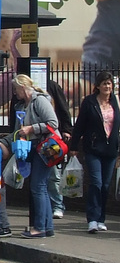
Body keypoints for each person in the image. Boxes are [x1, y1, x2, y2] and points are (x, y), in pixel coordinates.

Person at [8, 74, 59, 238]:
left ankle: (39, 228)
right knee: (40, 187)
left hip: (46, 148)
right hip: (35, 148)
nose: (15, 93)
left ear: (22, 87)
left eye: (16, 89)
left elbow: (53, 123)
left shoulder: (40, 101)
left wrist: (31, 129)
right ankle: (47, 227)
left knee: (38, 187)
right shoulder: (22, 105)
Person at [68, 70, 119, 234]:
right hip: (93, 149)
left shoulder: (115, 102)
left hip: (110, 150)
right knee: (96, 183)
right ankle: (92, 219)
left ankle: (101, 219)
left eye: (109, 83)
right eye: (104, 83)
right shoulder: (89, 102)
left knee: (105, 185)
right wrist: (73, 146)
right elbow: (80, 125)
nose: (107, 86)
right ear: (97, 86)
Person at [45, 79, 73, 219]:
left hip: (53, 138)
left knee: (54, 175)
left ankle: (57, 205)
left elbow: (63, 107)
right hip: (34, 138)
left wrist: (67, 129)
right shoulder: (25, 87)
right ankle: (45, 206)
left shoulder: (52, 86)